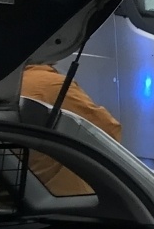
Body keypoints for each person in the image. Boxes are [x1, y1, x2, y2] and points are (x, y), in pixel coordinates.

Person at [20, 64, 122, 196]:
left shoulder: (4, 88)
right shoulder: (53, 85)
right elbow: (106, 133)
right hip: (61, 200)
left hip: (8, 196)